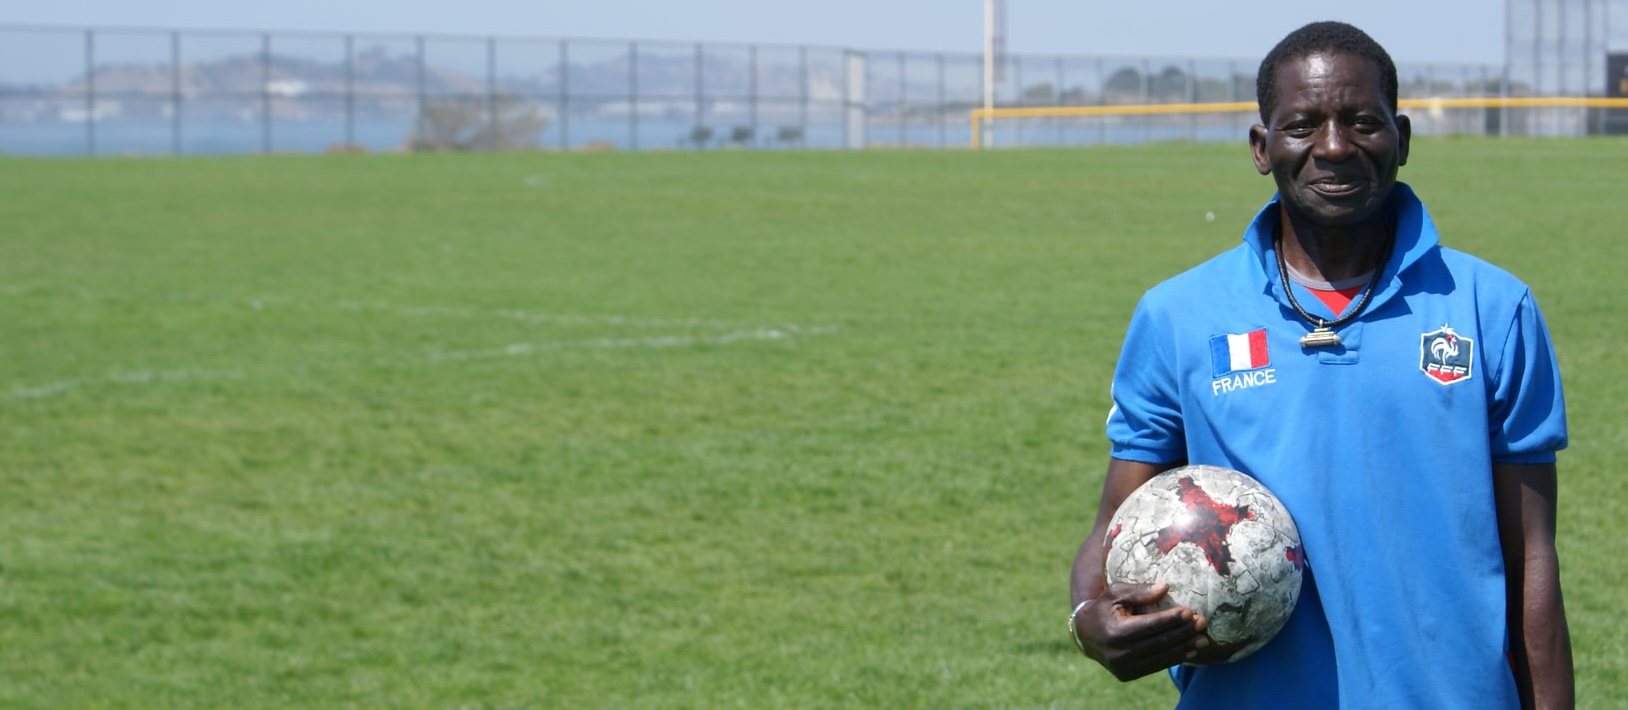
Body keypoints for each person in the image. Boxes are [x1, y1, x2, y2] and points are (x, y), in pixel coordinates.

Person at [1067, 21, 1573, 709]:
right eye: (1303, 125)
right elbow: (1115, 523)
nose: (1334, 148)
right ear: (1261, 146)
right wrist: (1088, 618)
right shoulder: (1178, 315)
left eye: (1361, 122)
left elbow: (1532, 558)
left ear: (1401, 136)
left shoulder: (1493, 309)